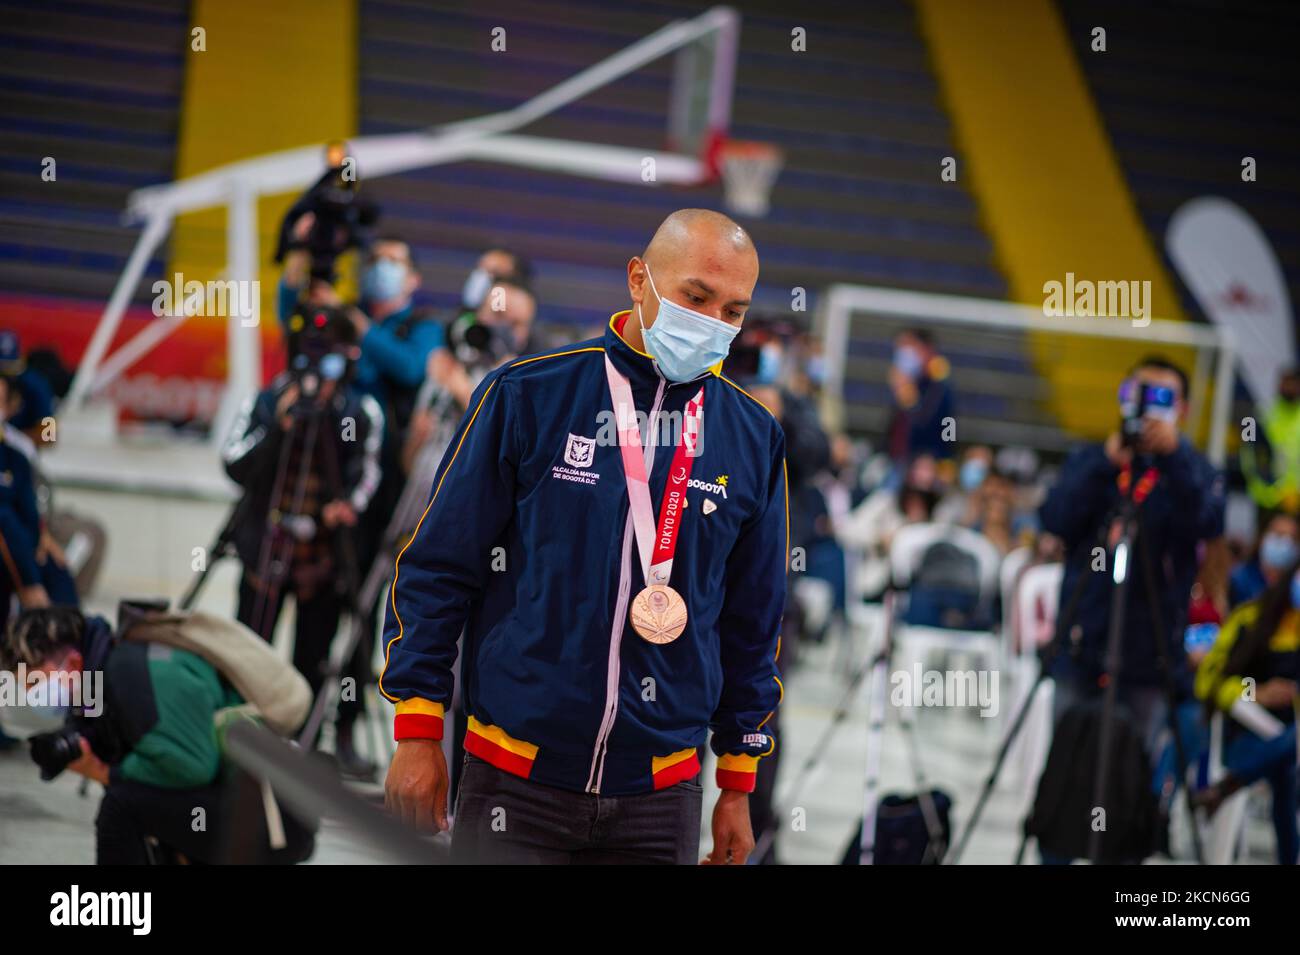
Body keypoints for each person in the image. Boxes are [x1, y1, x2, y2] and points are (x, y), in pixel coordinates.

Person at [382, 208, 787, 865]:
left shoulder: (752, 437)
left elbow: (752, 621)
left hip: (662, 795)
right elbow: (436, 569)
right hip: (514, 777)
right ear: (638, 279)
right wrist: (419, 729)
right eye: (695, 296)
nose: (713, 322)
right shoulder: (527, 394)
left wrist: (738, 781)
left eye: (733, 310)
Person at [1037, 356, 1225, 861]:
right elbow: (1055, 517)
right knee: (1062, 782)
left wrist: (1175, 460)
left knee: (1127, 791)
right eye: (1138, 396)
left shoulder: (1194, 472)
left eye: (1162, 399)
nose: (1147, 410)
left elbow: (1206, 523)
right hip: (1082, 647)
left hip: (1148, 661)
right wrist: (1106, 462)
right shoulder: (1094, 460)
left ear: (1182, 409)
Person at [0, 605, 315, 864]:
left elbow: (191, 766)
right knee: (145, 802)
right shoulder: (114, 671)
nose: (34, 697)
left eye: (34, 684)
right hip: (256, 808)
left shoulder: (130, 672)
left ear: (73, 662)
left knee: (121, 806)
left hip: (269, 819)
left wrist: (105, 772)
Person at [221, 307, 383, 753]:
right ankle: (235, 736)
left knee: (311, 661)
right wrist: (279, 426)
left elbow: (366, 476)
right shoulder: (268, 402)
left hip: (325, 562)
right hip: (263, 552)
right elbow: (235, 464)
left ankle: (301, 747)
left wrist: (346, 504)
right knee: (247, 654)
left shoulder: (359, 411)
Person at [1194, 561, 1300, 864]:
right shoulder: (1250, 619)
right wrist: (1258, 694)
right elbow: (1210, 683)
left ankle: (1231, 784)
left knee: (1288, 760)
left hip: (1290, 745)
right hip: (1245, 739)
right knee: (1286, 763)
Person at [0, 374, 77, 617]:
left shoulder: (18, 451)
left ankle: (70, 641)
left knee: (56, 566)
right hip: (10, 548)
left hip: (21, 543)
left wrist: (42, 534)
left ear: (11, 406)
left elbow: (51, 437)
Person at [885, 328, 954, 465]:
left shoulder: (938, 385)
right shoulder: (912, 381)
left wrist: (946, 459)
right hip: (900, 460)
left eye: (909, 348)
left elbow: (949, 424)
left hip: (924, 464)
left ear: (926, 349)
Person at [1242, 367, 1300, 516]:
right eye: (1285, 382)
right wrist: (1266, 488)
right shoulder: (1261, 413)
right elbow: (1248, 452)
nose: (1289, 387)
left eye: (1293, 383)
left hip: (1295, 501)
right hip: (1265, 499)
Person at [1229, 512, 1299, 608]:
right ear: (1262, 538)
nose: (1286, 542)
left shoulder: (1295, 586)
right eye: (1279, 535)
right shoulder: (1239, 579)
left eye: (1293, 538)